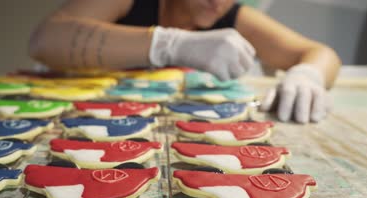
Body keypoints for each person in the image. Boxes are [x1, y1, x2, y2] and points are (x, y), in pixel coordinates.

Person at [29, 0, 341, 123]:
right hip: (82, 121)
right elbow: (44, 40)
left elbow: (321, 53)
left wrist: (307, 75)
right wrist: (169, 43)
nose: (219, 1)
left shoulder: (230, 14)